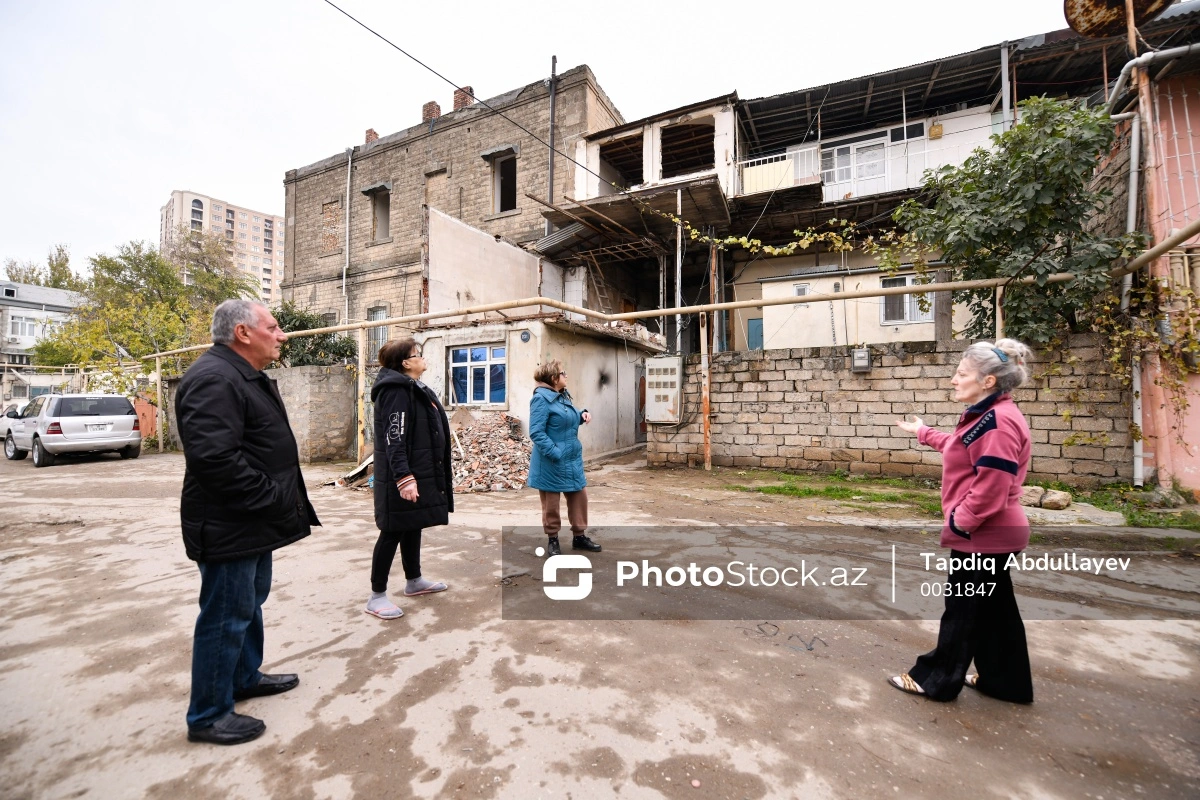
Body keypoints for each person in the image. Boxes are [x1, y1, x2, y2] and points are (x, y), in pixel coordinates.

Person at [177, 299, 320, 745]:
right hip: (231, 521)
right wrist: (272, 498)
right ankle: (208, 715)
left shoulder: (240, 375)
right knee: (225, 615)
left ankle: (243, 678)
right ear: (243, 333)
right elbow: (215, 460)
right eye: (273, 327)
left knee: (248, 603)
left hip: (250, 520)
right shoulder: (214, 379)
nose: (281, 335)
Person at [889, 338, 1035, 704]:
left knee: (963, 611)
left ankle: (936, 679)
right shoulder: (988, 415)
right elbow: (959, 444)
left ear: (988, 381)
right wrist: (922, 432)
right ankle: (1006, 682)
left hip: (985, 535)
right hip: (993, 533)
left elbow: (992, 488)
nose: (954, 379)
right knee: (996, 611)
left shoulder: (998, 423)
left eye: (962, 373)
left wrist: (959, 523)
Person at [365, 338, 452, 620]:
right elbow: (394, 437)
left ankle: (414, 581)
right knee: (392, 530)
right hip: (402, 474)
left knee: (413, 524)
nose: (423, 358)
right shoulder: (396, 391)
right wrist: (403, 476)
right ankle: (376, 596)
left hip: (418, 469)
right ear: (406, 363)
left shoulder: (414, 388)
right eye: (418, 354)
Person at [528, 360, 600, 556]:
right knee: (551, 503)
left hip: (572, 459)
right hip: (552, 461)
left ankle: (579, 536)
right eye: (563, 373)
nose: (566, 375)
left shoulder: (562, 397)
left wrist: (582, 415)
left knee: (579, 496)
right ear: (553, 378)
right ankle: (553, 540)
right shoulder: (540, 400)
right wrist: (555, 453)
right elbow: (536, 432)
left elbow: (568, 417)